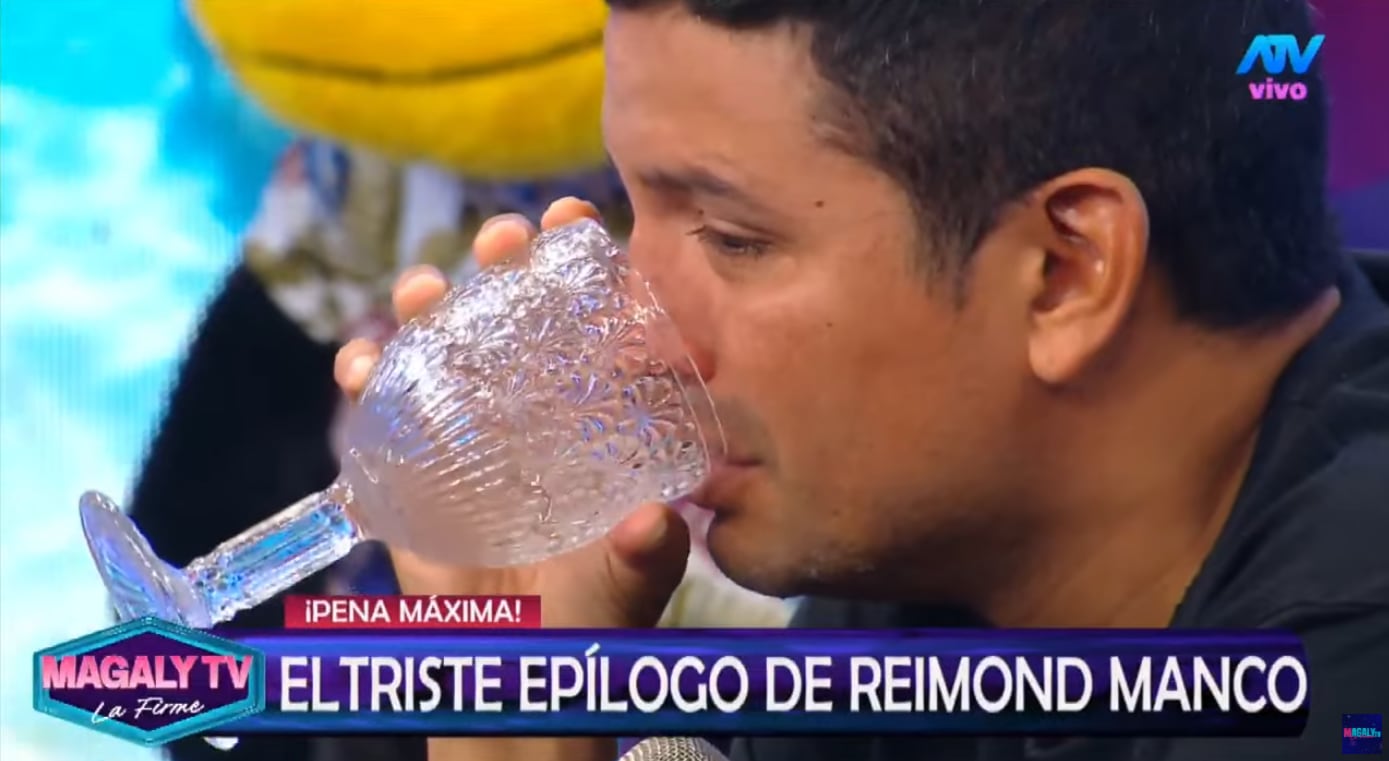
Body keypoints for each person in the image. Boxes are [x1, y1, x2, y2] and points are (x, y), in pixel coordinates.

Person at [333, 1, 1389, 759]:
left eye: (736, 239)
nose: (635, 341)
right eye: (629, 211)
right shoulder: (926, 557)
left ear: (1065, 272)